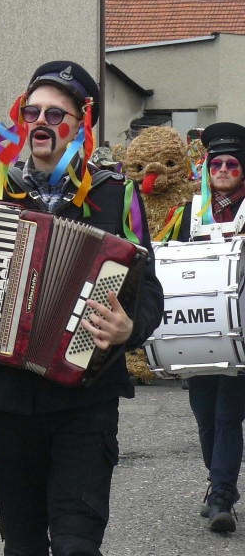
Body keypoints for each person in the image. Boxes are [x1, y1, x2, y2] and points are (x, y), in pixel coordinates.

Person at [0, 60, 163, 556]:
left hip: (86, 397)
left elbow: (150, 290)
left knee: (76, 544)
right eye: (33, 112)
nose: (41, 123)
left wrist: (128, 328)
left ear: (80, 124)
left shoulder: (116, 194)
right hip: (10, 397)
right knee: (22, 543)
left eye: (56, 114)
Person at [161, 121, 245, 533]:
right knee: (206, 417)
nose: (224, 169)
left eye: (232, 163)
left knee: (229, 415)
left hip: (241, 333)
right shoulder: (187, 213)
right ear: (207, 168)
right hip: (196, 330)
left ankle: (222, 496)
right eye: (217, 163)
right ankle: (217, 486)